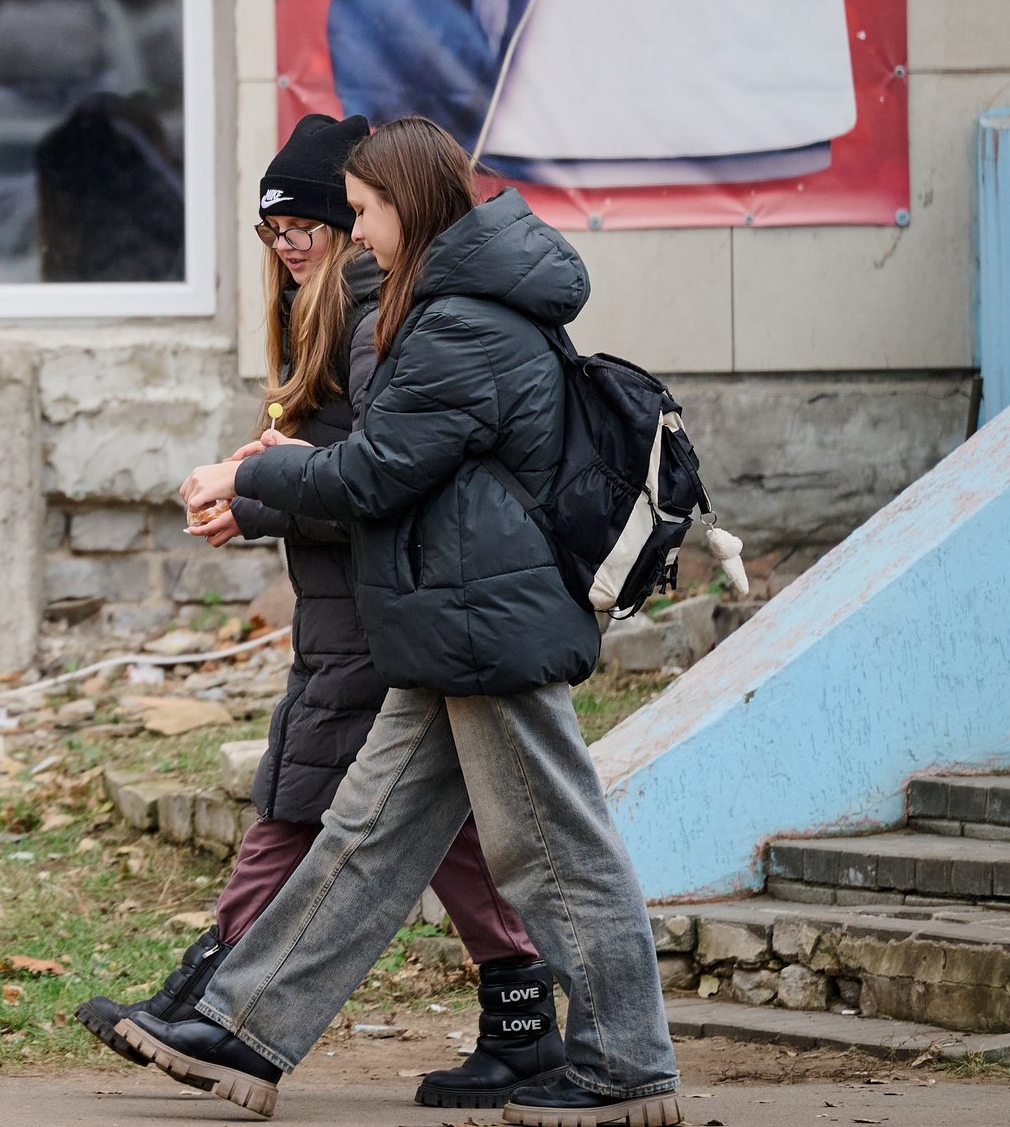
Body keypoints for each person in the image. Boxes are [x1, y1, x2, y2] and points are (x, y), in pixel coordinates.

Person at [132, 117, 680, 1127]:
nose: (357, 230)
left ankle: (622, 1066)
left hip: (485, 620)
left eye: (367, 211)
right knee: (362, 840)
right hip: (446, 618)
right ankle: (246, 1025)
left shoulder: (463, 320)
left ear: (410, 209)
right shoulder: (435, 305)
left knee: (554, 847)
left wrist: (250, 471)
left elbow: (374, 472)